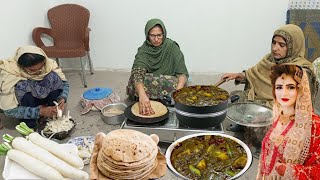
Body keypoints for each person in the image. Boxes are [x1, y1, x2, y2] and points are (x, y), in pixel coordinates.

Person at [221, 24, 318, 108]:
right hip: (261, 103)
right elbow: (255, 74)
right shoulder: (269, 59)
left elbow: (298, 104)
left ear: (294, 47)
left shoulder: (300, 70)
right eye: (274, 42)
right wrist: (240, 76)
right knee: (234, 98)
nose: (275, 48)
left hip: (281, 110)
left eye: (282, 45)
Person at [256, 64, 320, 179]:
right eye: (279, 87)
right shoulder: (277, 115)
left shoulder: (314, 125)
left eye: (290, 87)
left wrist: (290, 171)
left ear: (300, 89)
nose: (284, 93)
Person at [126, 18, 189, 115]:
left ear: (164, 33)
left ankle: (161, 97)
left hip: (169, 81)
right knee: (134, 81)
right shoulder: (143, 50)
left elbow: (182, 73)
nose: (156, 39)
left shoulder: (171, 47)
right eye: (152, 36)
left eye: (159, 35)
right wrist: (142, 94)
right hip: (150, 80)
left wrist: (178, 90)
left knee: (177, 84)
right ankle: (148, 98)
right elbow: (137, 72)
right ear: (147, 35)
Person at [0, 45, 69, 128]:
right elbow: (9, 111)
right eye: (32, 70)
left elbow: (65, 84)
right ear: (21, 67)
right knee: (22, 86)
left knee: (53, 77)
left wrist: (62, 97)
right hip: (27, 101)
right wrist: (39, 111)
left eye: (41, 67)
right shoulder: (9, 73)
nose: (38, 72)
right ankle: (30, 123)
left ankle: (51, 115)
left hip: (43, 96)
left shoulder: (49, 64)